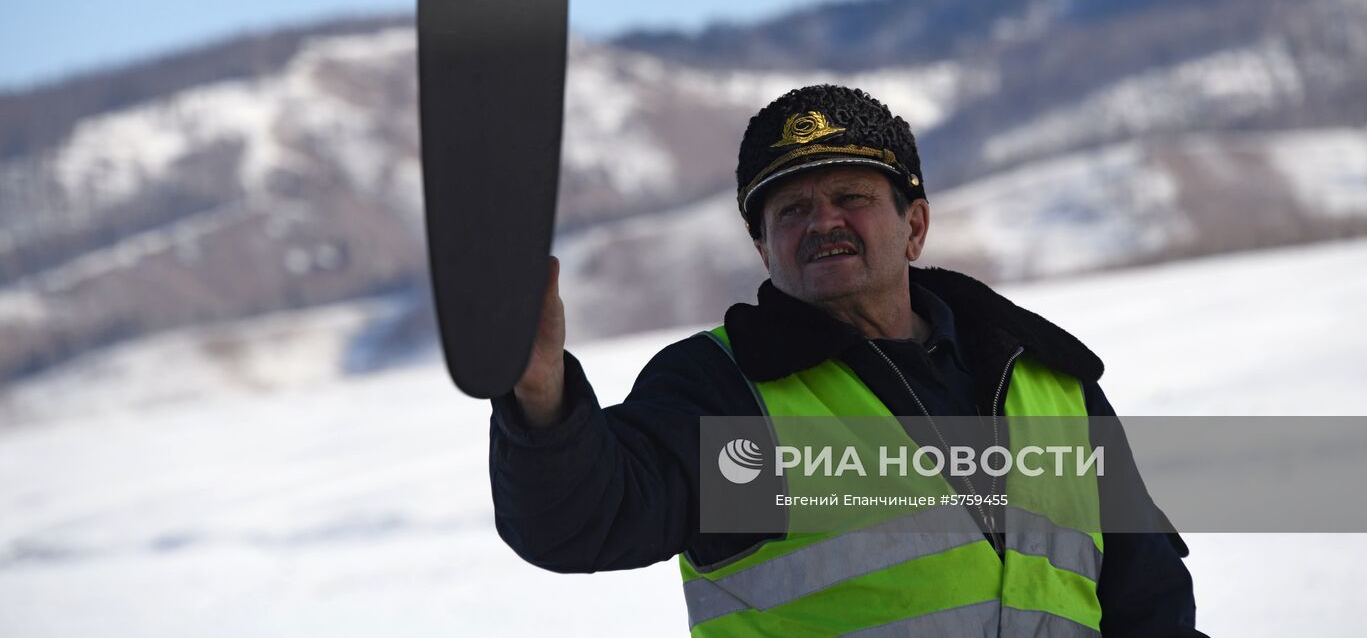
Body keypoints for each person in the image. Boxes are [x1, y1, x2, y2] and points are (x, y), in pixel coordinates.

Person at [491, 84, 1204, 636]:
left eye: (850, 196)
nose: (822, 221)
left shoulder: (1045, 379)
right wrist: (541, 396)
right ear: (764, 249)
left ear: (914, 225)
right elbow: (585, 514)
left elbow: (1150, 602)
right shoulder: (730, 392)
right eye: (790, 210)